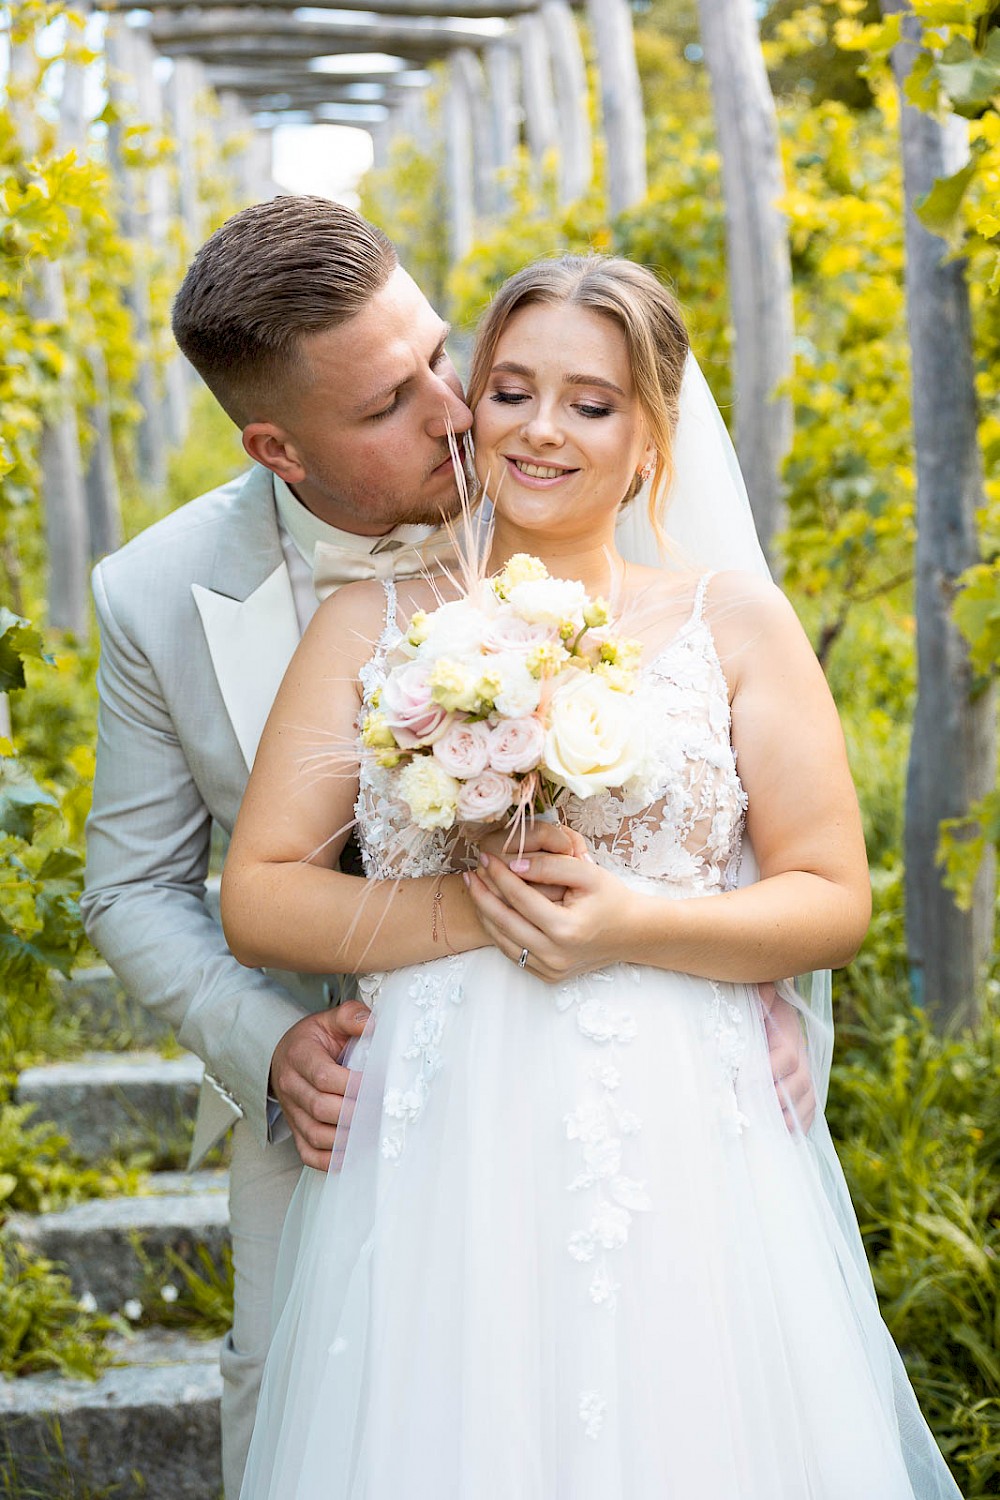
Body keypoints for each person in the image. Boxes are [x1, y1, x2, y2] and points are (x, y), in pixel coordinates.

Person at [81, 198, 815, 1498]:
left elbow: (735, 790)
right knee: (329, 1410)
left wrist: (745, 973)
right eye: (387, 403)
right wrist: (272, 1047)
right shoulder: (153, 594)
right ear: (276, 446)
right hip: (362, 1085)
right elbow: (137, 886)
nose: (455, 411)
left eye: (440, 350)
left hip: (644, 1064)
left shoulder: (563, 449)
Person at [223, 256, 960, 1498]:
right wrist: (469, 911)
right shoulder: (374, 624)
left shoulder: (735, 624)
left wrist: (633, 924)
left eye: (592, 402)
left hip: (680, 1126)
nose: (541, 430)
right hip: (444, 1131)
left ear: (651, 436)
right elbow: (260, 892)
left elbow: (831, 897)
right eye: (510, 390)